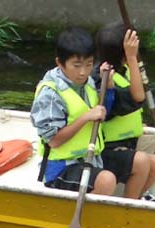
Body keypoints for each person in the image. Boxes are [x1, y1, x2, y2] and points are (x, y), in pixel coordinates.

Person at [93, 22, 155, 200]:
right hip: (109, 147)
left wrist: (131, 58)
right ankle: (130, 202)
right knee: (148, 161)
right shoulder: (103, 78)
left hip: (130, 140)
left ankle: (139, 195)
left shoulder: (124, 70)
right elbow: (138, 97)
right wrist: (132, 57)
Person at [31, 27, 116, 196]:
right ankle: (90, 220)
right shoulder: (50, 93)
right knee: (106, 179)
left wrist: (109, 89)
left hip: (89, 159)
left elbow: (100, 114)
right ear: (60, 63)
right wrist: (85, 117)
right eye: (76, 66)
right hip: (60, 169)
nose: (83, 72)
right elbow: (53, 141)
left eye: (89, 64)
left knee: (134, 163)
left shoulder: (88, 81)